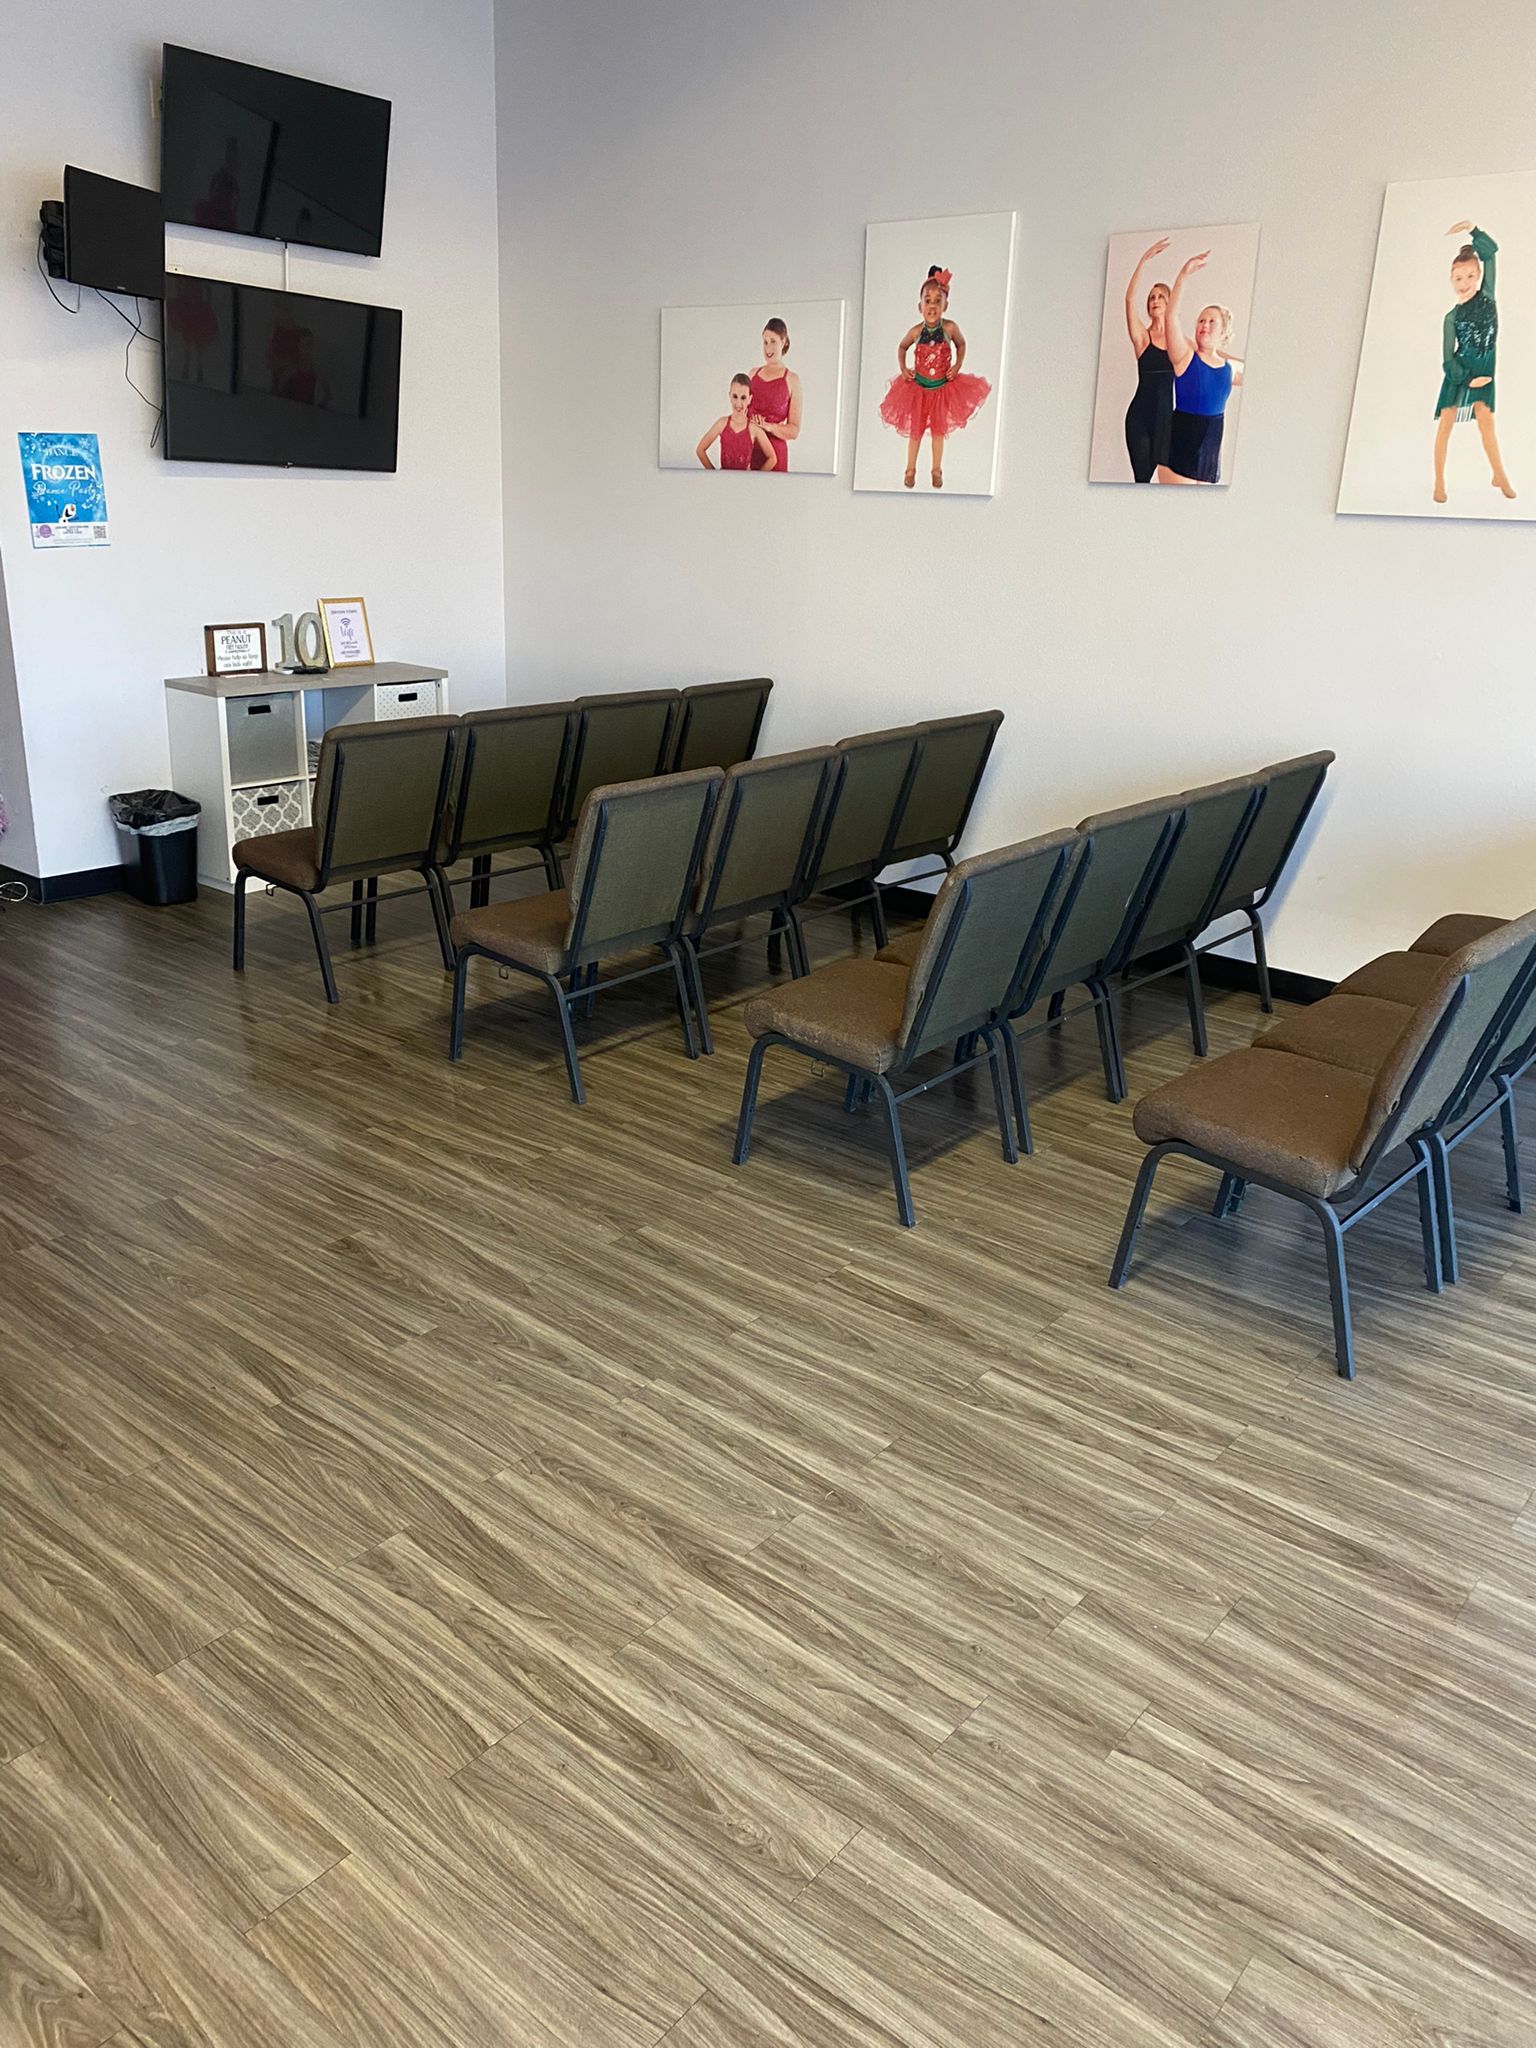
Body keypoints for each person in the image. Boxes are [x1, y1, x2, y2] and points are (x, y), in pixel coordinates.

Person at [878, 265, 992, 487]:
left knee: (938, 433)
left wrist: (958, 365)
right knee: (915, 432)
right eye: (927, 301)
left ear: (945, 305)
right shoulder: (916, 331)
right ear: (919, 305)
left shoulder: (949, 328)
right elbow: (902, 347)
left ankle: (936, 469)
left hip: (941, 390)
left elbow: (961, 344)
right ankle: (910, 469)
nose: (932, 305)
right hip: (918, 389)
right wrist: (903, 368)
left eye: (937, 301)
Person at [1434, 223, 1515, 504]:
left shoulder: (1488, 296)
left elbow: (1491, 254)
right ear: (1451, 280)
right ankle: (1439, 481)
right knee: (1446, 424)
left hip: (1484, 370)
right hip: (1460, 374)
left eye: (1470, 275)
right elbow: (1448, 359)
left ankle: (1499, 474)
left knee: (1486, 420)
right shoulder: (1451, 317)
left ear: (1479, 275)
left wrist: (1474, 230)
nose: (1464, 282)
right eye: (1458, 278)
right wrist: (1467, 379)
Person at [1158, 252, 1243, 485]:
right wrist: (1182, 277)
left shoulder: (1230, 369)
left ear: (1224, 332)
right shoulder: (1184, 358)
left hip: (1210, 455)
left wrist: (1217, 351)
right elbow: (1171, 317)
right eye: (1200, 321)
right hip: (1178, 448)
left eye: (1211, 321)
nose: (1204, 325)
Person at [1122, 236, 1175, 481]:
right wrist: (1144, 259)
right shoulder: (1143, 338)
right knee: (1142, 481)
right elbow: (1129, 300)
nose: (1155, 301)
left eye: (1160, 297)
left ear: (1170, 302)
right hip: (1140, 418)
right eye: (1152, 298)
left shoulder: (1179, 342)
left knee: (1166, 485)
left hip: (1166, 420)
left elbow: (1207, 352)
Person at [749, 318, 801, 473]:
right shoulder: (752, 374)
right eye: (765, 342)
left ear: (783, 341)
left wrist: (769, 427)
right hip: (749, 449)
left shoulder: (792, 380)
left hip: (776, 454)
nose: (768, 348)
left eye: (773, 341)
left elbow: (794, 430)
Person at [697, 373, 778, 470]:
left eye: (743, 398)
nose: (738, 403)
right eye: (735, 396)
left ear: (749, 399)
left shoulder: (753, 428)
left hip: (745, 483)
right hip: (724, 482)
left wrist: (755, 479)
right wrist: (715, 474)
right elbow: (700, 450)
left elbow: (772, 458)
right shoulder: (722, 423)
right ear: (729, 396)